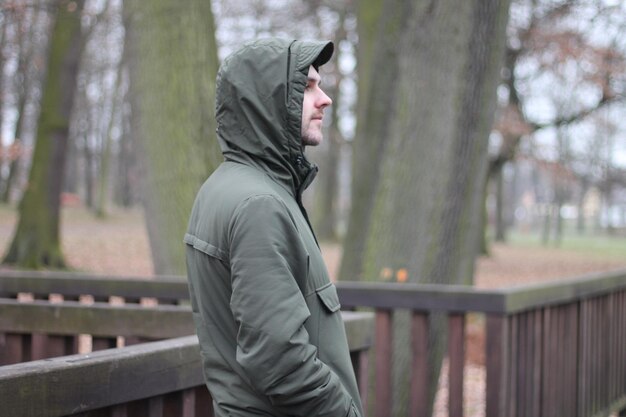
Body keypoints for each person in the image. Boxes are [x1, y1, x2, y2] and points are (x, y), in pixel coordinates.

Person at [184, 38, 363, 417]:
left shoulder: (232, 186)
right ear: (269, 102)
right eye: (308, 87)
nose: (324, 99)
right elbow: (279, 360)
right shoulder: (258, 204)